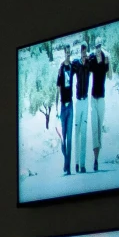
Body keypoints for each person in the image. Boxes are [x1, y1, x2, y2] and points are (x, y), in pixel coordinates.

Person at [86, 44, 108, 173]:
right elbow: (87, 69)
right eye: (96, 47)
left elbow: (109, 73)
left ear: (101, 48)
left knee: (99, 128)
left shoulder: (105, 59)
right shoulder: (93, 60)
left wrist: (107, 61)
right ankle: (95, 160)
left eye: (99, 47)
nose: (98, 49)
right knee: (94, 127)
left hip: (102, 98)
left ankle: (97, 158)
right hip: (94, 98)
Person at [54, 47, 75, 178]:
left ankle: (68, 167)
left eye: (69, 53)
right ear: (64, 54)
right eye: (66, 53)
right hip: (62, 106)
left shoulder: (72, 67)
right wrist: (56, 107)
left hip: (71, 106)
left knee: (70, 138)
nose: (68, 55)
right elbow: (57, 90)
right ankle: (66, 162)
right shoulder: (61, 70)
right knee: (63, 139)